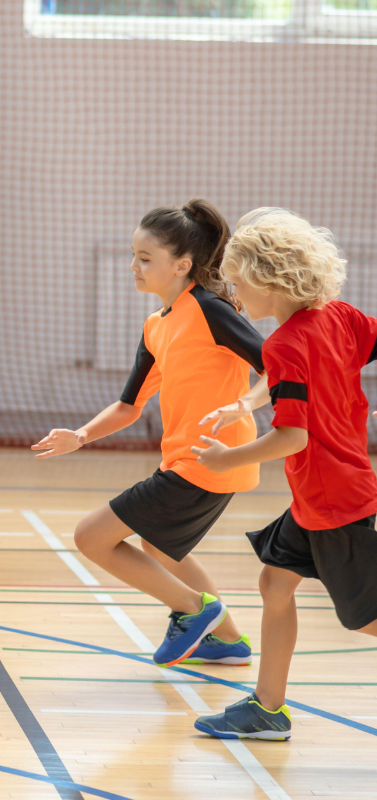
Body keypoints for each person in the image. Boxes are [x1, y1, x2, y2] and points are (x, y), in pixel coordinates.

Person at [32, 199, 265, 667]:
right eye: (133, 256)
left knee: (91, 537)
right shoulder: (157, 324)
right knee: (160, 547)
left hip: (213, 457)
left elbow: (277, 366)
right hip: (187, 459)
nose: (133, 267)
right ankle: (227, 640)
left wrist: (244, 404)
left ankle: (194, 610)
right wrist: (78, 436)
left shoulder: (210, 309)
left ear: (182, 265)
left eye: (144, 259)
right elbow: (128, 406)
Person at [193, 209, 377, 740]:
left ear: (267, 278)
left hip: (332, 500)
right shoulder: (338, 316)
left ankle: (268, 706)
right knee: (275, 582)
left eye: (236, 282)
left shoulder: (286, 343)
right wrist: (245, 403)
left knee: (366, 619)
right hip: (325, 494)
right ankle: (268, 708)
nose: (233, 294)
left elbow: (293, 436)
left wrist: (228, 458)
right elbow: (292, 376)